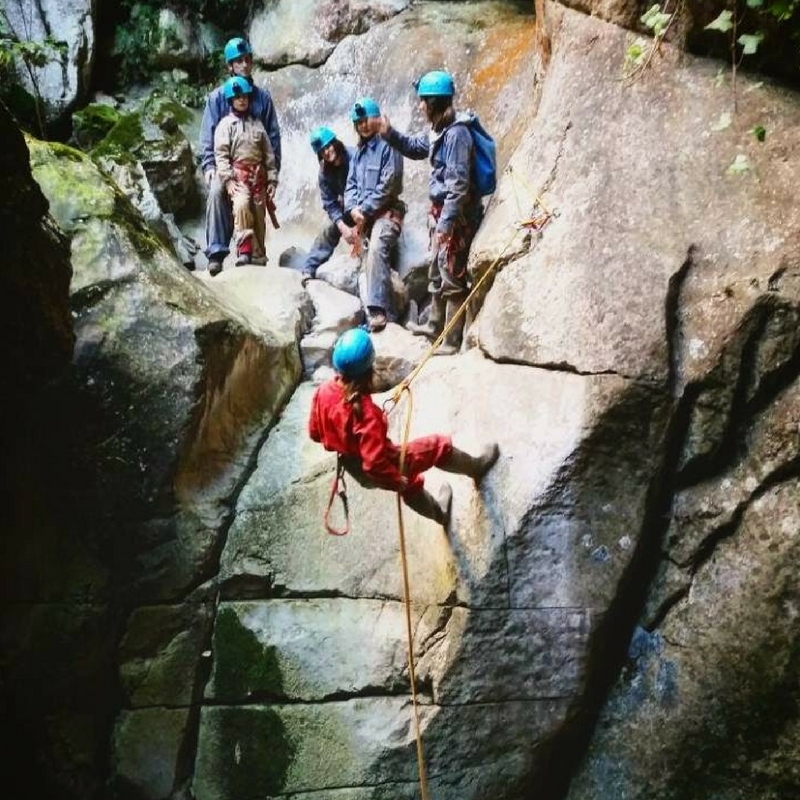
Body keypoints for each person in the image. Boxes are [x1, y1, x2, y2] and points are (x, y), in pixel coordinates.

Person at [308, 328, 499, 527]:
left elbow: (314, 433)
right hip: (377, 466)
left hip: (352, 465)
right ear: (370, 368)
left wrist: (346, 439)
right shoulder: (366, 415)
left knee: (410, 483)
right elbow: (374, 464)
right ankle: (476, 468)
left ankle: (440, 513)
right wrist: (395, 480)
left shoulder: (323, 391)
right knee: (436, 446)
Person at [380, 70, 484, 354]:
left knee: (452, 274)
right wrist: (389, 134)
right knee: (438, 271)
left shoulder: (457, 135)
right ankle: (434, 326)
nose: (420, 106)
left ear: (435, 103)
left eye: (423, 101)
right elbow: (415, 148)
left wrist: (446, 223)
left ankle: (450, 341)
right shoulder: (440, 130)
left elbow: (459, 185)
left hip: (454, 218)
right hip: (441, 214)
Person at [200, 37, 282, 275]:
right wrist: (210, 167)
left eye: (247, 60)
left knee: (254, 204)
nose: (244, 65)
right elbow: (208, 136)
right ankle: (216, 252)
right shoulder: (217, 98)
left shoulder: (263, 99)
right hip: (225, 164)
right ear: (230, 66)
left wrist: (272, 174)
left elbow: (272, 139)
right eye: (238, 61)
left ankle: (255, 252)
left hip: (256, 166)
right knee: (217, 191)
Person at [344, 98, 405, 333]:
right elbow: (350, 186)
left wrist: (365, 210)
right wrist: (352, 210)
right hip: (364, 218)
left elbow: (389, 184)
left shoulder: (389, 145)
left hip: (387, 214)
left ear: (378, 118)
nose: (363, 125)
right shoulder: (358, 153)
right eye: (358, 122)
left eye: (367, 120)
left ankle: (378, 310)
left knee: (377, 248)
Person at [213, 76, 278, 268]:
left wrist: (272, 180)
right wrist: (227, 180)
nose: (242, 100)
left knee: (258, 214)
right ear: (231, 100)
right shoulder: (226, 125)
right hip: (238, 178)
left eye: (245, 97)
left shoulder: (258, 125)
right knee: (241, 207)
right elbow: (221, 154)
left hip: (258, 177)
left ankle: (259, 255)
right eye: (237, 97)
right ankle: (244, 250)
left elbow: (268, 155)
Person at [301, 126, 356, 287]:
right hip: (347, 209)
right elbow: (330, 203)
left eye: (328, 146)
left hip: (366, 207)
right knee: (328, 230)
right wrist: (342, 226)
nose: (326, 152)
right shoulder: (324, 172)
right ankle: (309, 269)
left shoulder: (355, 157)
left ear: (335, 143)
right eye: (322, 151)